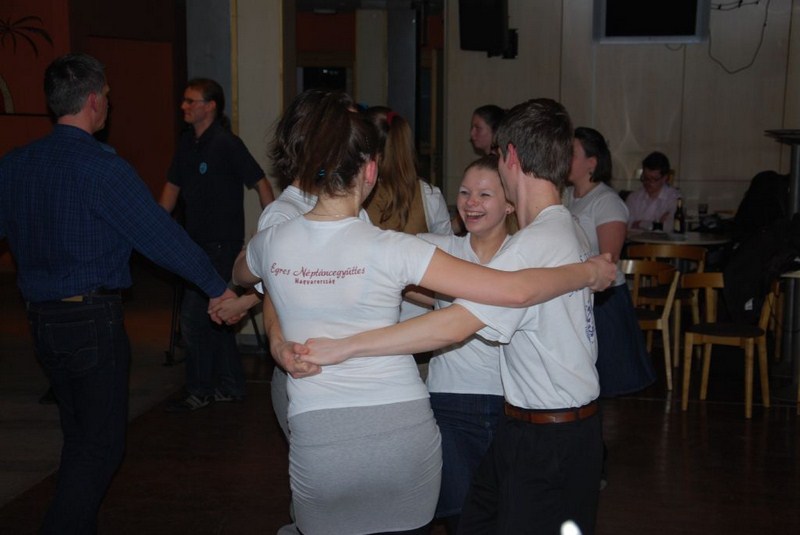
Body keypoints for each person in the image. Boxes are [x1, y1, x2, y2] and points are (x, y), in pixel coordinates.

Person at [233, 98, 615, 534]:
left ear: (509, 156)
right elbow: (511, 290)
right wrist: (588, 272)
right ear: (370, 171)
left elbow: (476, 310)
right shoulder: (558, 230)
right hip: (517, 426)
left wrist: (335, 343)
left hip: (549, 432)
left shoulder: (273, 240)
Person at [0, 53, 235, 534]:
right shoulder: (104, 169)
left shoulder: (16, 164)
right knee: (100, 446)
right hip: (90, 321)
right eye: (107, 95)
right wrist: (217, 288)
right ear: (93, 101)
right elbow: (161, 238)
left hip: (41, 320)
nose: (109, 103)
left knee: (78, 434)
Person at [159, 78, 274, 411]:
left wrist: (272, 228)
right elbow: (171, 187)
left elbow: (260, 182)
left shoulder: (226, 143)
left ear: (210, 106)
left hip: (221, 245)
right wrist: (154, 227)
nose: (184, 106)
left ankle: (200, 389)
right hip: (193, 244)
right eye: (184, 100)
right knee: (217, 315)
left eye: (191, 101)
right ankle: (231, 385)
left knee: (195, 319)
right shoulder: (187, 143)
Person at [421, 154, 515, 534]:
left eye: (484, 194)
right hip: (450, 403)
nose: (471, 202)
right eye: (464, 192)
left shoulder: (526, 256)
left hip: (513, 406)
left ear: (510, 204)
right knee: (463, 518)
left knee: (506, 516)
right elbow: (376, 250)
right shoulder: (440, 250)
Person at [564, 127, 655, 397]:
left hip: (603, 297)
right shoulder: (566, 197)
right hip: (575, 292)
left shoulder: (607, 202)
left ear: (591, 163)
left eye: (571, 153)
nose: (564, 158)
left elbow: (608, 258)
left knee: (608, 382)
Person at [363, 106, 452, 320]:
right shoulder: (430, 195)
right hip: (418, 320)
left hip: (373, 316)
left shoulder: (355, 196)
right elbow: (449, 257)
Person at [626, 151, 680, 230]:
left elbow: (669, 227)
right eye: (645, 178)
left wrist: (639, 223)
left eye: (654, 179)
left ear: (664, 178)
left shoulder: (674, 198)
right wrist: (657, 224)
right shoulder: (634, 197)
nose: (648, 182)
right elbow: (626, 225)